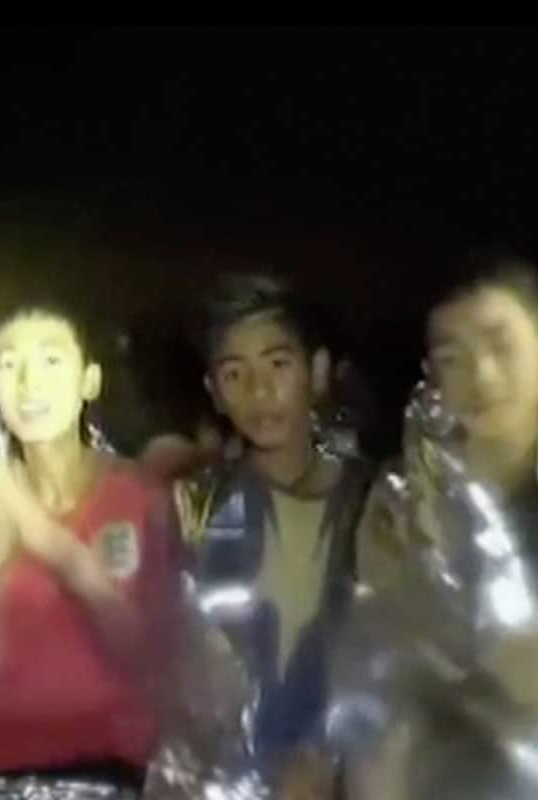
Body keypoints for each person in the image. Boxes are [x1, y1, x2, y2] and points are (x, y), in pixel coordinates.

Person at [346, 251, 538, 799]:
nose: (482, 376)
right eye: (454, 357)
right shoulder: (403, 503)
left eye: (500, 345)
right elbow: (381, 679)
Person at [0, 301, 182, 793]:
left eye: (51, 360)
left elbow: (153, 664)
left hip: (100, 772)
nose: (29, 383)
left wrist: (56, 549)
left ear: (89, 381)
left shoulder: (139, 498)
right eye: (9, 363)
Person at [171, 274, 374, 795]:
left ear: (319, 371)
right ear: (214, 392)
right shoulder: (195, 507)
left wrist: (332, 757)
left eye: (278, 365)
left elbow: (397, 659)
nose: (260, 391)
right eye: (235, 374)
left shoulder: (378, 504)